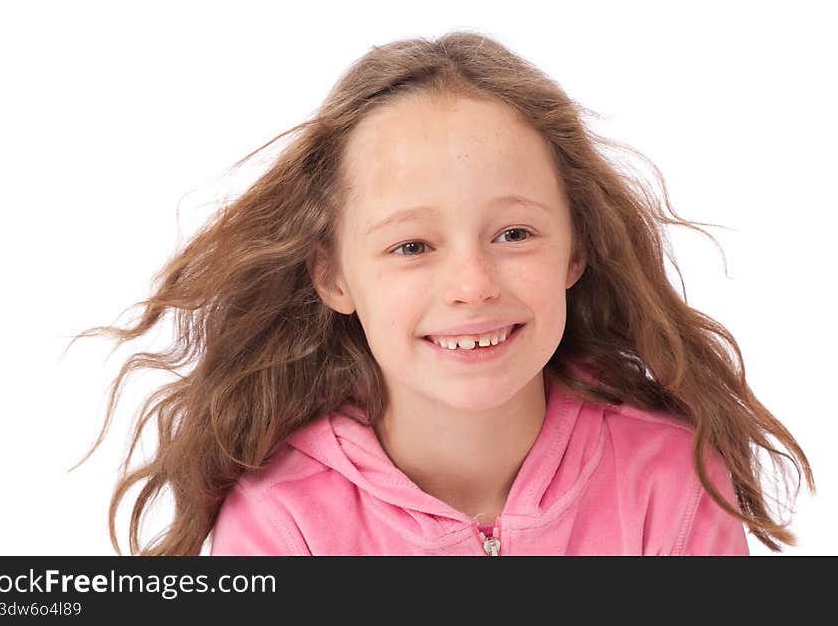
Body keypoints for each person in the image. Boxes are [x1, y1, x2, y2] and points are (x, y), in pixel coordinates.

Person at [70, 31, 814, 555]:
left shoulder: (671, 482)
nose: (471, 285)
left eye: (515, 234)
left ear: (577, 248)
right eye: (411, 246)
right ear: (333, 276)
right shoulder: (282, 522)